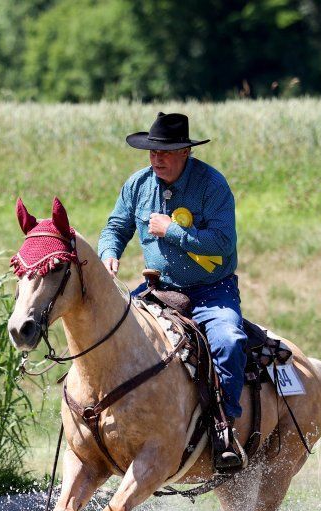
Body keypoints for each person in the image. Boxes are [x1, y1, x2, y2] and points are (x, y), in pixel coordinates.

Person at [99, 111, 247, 470]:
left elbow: (224, 243)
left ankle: (223, 430)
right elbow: (116, 226)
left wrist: (173, 231)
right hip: (158, 290)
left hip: (212, 292)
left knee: (228, 341)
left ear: (185, 152)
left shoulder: (212, 186)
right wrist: (109, 253)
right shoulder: (137, 185)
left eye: (165, 152)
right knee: (110, 336)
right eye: (152, 152)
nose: (157, 159)